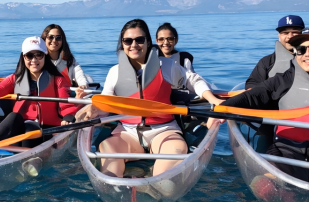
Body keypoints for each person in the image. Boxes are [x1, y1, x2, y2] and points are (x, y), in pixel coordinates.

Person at [76, 19, 224, 178]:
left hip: (164, 130)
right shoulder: (115, 72)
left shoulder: (166, 66)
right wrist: (91, 108)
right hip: (127, 132)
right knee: (107, 149)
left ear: (148, 42)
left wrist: (213, 100)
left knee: (175, 154)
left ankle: (152, 187)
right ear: (122, 44)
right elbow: (106, 103)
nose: (133, 45)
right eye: (128, 41)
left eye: (139, 40)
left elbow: (193, 80)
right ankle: (118, 188)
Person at [0, 36, 85, 160]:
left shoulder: (58, 80)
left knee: (31, 129)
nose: (34, 60)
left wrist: (67, 118)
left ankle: (31, 163)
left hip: (45, 131)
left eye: (39, 55)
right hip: (18, 132)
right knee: (13, 116)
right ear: (23, 57)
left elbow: (65, 104)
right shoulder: (14, 79)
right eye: (29, 56)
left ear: (45, 56)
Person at [222, 32, 309, 182]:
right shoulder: (284, 79)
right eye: (302, 50)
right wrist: (221, 110)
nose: (307, 55)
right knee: (264, 184)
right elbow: (254, 95)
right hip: (287, 150)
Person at [245, 15, 305, 90]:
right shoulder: (267, 62)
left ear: (303, 34)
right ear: (279, 36)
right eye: (285, 33)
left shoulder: (307, 59)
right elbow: (251, 85)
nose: (290, 36)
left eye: (295, 32)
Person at [41, 24, 89, 88]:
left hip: (66, 95)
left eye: (58, 37)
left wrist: (83, 85)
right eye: (50, 37)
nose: (54, 40)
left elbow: (78, 73)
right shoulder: (39, 59)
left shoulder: (69, 60)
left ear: (62, 40)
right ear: (44, 39)